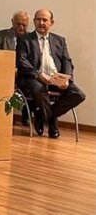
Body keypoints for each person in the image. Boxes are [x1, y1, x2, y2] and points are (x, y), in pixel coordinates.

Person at [16, 9, 86, 138]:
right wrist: (39, 75)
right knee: (38, 88)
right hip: (34, 78)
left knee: (78, 95)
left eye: (45, 20)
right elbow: (21, 61)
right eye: (38, 19)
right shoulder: (24, 39)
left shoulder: (60, 40)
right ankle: (52, 123)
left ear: (51, 22)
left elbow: (67, 61)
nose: (41, 23)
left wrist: (66, 79)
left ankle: (44, 117)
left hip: (56, 78)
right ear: (34, 21)